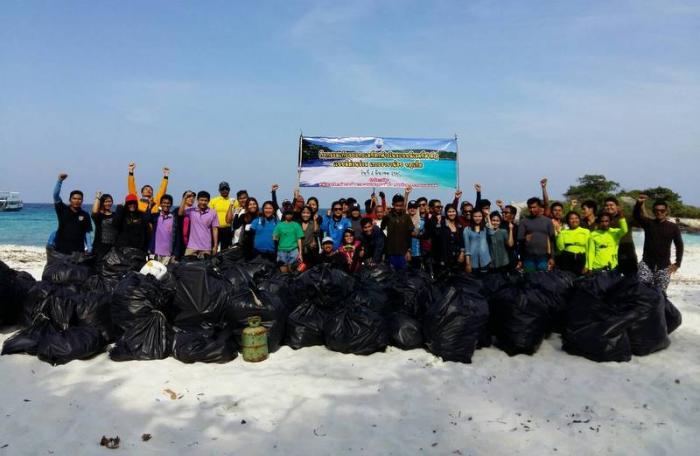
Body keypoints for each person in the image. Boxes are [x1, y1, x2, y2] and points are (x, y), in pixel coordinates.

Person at [633, 195, 684, 293]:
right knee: (642, 292)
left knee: (660, 295)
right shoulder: (648, 223)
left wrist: (678, 263)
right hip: (646, 264)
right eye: (656, 210)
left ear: (666, 211)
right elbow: (636, 216)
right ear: (653, 211)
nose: (659, 212)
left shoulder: (673, 227)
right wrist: (639, 203)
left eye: (662, 210)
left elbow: (679, 245)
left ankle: (659, 308)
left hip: (664, 267)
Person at [52, 173, 92, 254]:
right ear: (70, 200)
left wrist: (89, 247)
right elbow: (56, 195)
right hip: (60, 249)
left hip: (78, 251)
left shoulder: (85, 215)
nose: (77, 201)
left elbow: (87, 233)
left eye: (79, 199)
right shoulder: (62, 209)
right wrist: (60, 181)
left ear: (82, 201)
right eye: (74, 198)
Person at [517, 197, 555, 272]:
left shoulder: (548, 221)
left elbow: (552, 241)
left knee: (543, 280)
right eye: (530, 207)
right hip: (528, 258)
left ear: (540, 207)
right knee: (530, 280)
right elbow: (519, 240)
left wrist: (552, 258)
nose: (532, 209)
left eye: (534, 207)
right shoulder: (524, 221)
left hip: (543, 257)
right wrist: (525, 239)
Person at [178, 191, 219, 258]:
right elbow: (180, 213)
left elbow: (215, 229)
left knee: (205, 267)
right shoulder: (191, 210)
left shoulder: (213, 212)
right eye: (201, 200)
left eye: (205, 200)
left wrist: (215, 245)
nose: (203, 202)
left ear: (208, 201)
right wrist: (184, 198)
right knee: (187, 266)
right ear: (197, 200)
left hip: (206, 247)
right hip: (191, 246)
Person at [604, 197, 638, 274]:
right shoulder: (603, 220)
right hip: (610, 256)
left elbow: (641, 222)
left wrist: (640, 205)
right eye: (606, 205)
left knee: (630, 279)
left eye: (611, 205)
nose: (609, 207)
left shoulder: (626, 217)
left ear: (617, 207)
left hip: (627, 253)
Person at [381, 193, 414, 270]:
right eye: (396, 205)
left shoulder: (406, 217)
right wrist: (384, 217)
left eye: (401, 205)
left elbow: (410, 235)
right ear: (393, 204)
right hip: (391, 252)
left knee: (404, 276)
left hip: (403, 252)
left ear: (403, 205)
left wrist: (409, 250)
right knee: (392, 276)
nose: (398, 208)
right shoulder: (388, 216)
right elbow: (382, 228)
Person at [148, 194, 178, 265]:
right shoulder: (156, 216)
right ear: (160, 204)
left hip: (168, 254)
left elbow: (177, 237)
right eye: (164, 203)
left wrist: (176, 253)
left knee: (165, 274)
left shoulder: (174, 218)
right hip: (154, 252)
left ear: (171, 205)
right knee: (151, 273)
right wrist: (150, 206)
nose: (166, 205)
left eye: (168, 203)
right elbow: (146, 218)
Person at [437, 203, 465, 274]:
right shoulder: (442, 224)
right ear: (446, 213)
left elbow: (462, 241)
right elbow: (437, 235)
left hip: (458, 256)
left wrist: (462, 253)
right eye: (449, 212)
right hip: (445, 257)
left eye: (453, 211)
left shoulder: (459, 225)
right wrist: (438, 223)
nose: (451, 213)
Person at [91, 192, 117, 260]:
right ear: (102, 203)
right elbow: (94, 212)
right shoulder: (99, 216)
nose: (108, 203)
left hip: (113, 246)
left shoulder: (115, 215)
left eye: (110, 201)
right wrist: (97, 198)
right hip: (100, 245)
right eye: (106, 201)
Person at [209, 182, 234, 251]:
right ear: (219, 190)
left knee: (225, 250)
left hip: (227, 229)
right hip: (215, 229)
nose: (224, 190)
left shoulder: (233, 201)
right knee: (213, 248)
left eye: (226, 189)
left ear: (229, 190)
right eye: (222, 189)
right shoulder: (213, 201)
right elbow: (208, 214)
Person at [464, 210, 490, 275]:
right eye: (475, 216)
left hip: (485, 260)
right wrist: (468, 263)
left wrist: (488, 216)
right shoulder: (467, 229)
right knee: (475, 282)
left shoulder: (485, 228)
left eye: (480, 216)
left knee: (486, 281)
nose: (477, 218)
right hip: (473, 262)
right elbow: (467, 248)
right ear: (472, 217)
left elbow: (492, 232)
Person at [173, 190, 195, 260]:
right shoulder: (177, 210)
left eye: (193, 197)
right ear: (184, 198)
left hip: (190, 241)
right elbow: (180, 214)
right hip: (179, 240)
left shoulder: (195, 211)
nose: (191, 198)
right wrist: (184, 198)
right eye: (189, 197)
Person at [407, 200, 424, 269]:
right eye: (410, 207)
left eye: (414, 207)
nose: (412, 209)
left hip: (417, 253)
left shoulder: (422, 222)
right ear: (407, 209)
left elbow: (418, 234)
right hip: (405, 253)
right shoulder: (404, 220)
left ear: (417, 209)